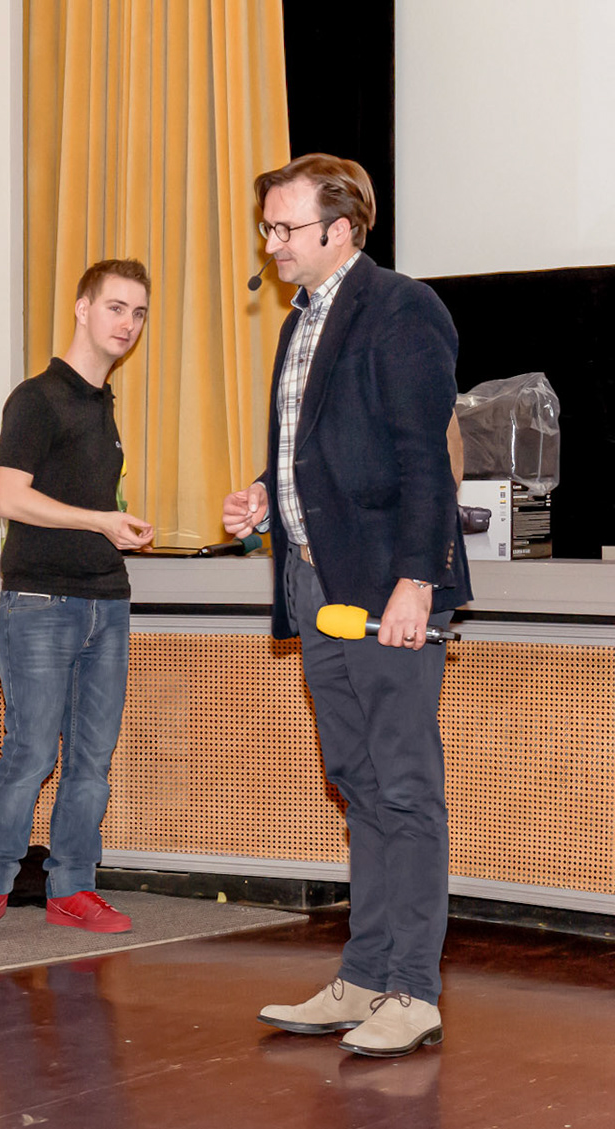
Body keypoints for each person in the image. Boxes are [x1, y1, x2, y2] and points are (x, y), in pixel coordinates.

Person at [226, 155, 469, 1059]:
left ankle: (413, 988)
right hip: (315, 584)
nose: (271, 243)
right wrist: (267, 493)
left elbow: (422, 457)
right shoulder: (302, 319)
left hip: (385, 589)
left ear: (341, 229)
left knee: (405, 787)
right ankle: (365, 975)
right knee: (358, 783)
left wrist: (418, 579)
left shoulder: (400, 308)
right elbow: (323, 446)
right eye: (267, 226)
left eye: (285, 227)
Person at [0, 259, 155, 942]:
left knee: (92, 759)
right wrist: (100, 521)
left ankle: (73, 888)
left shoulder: (103, 406)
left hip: (106, 602)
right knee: (30, 752)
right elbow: (9, 499)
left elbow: (80, 503)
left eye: (139, 313)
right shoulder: (35, 399)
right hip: (39, 602)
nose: (128, 323)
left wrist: (116, 528)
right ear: (82, 309)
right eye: (116, 307)